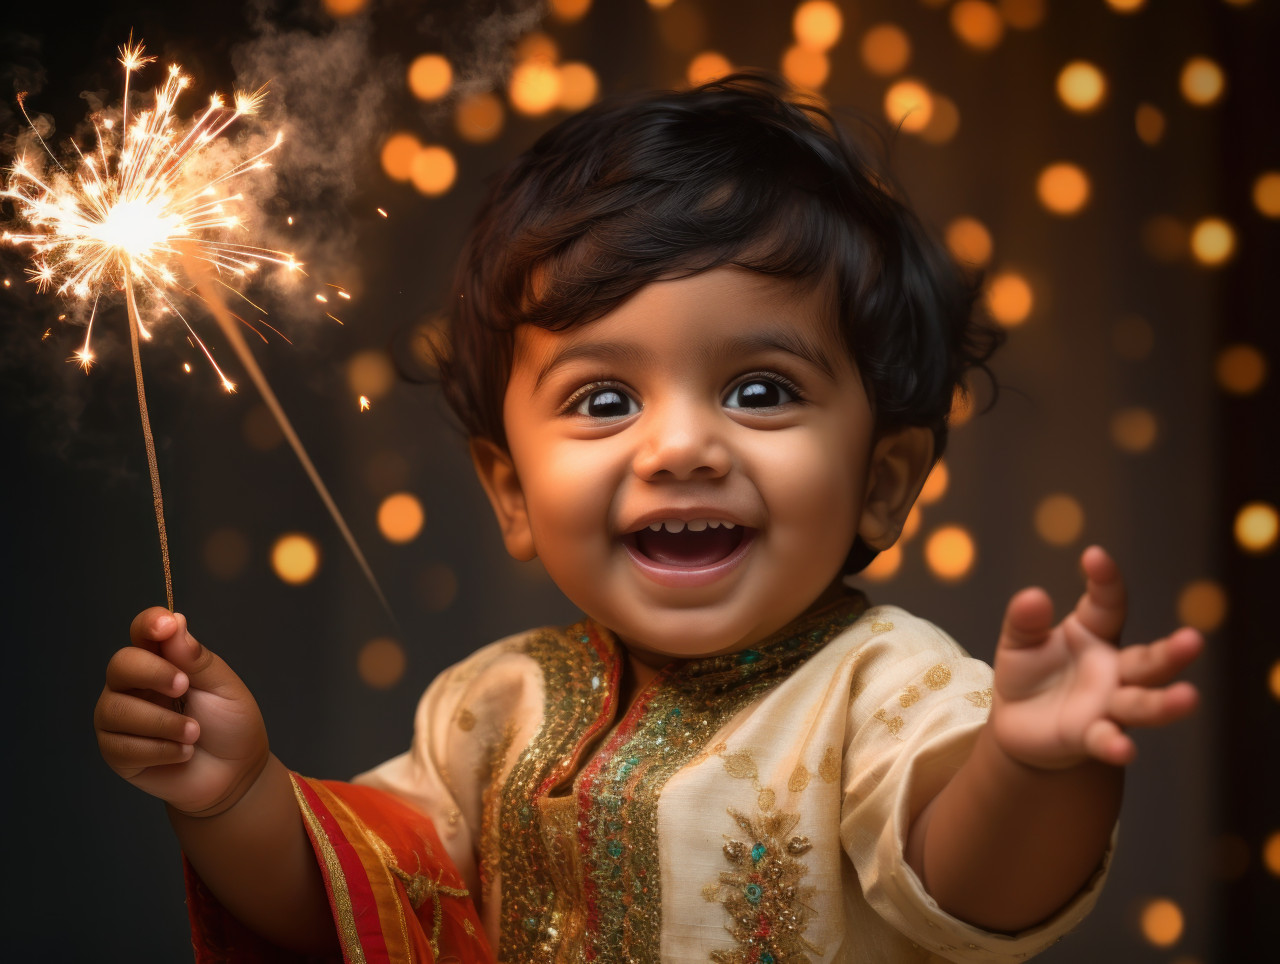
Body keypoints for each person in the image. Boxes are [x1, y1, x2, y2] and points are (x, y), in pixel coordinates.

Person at [94, 75, 1202, 963]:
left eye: (760, 389)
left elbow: (974, 882)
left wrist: (1031, 765)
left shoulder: (886, 690)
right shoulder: (490, 707)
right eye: (604, 399)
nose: (678, 447)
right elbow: (364, 914)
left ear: (881, 481)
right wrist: (238, 792)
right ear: (512, 494)